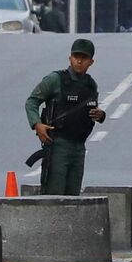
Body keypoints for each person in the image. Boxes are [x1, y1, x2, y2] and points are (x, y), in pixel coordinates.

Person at [25, 39, 106, 195]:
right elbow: (31, 102)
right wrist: (37, 124)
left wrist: (100, 114)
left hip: (79, 146)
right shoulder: (55, 80)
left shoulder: (91, 85)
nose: (79, 61)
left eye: (84, 58)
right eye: (76, 56)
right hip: (57, 145)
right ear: (70, 58)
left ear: (91, 61)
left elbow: (91, 110)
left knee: (73, 196)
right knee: (54, 194)